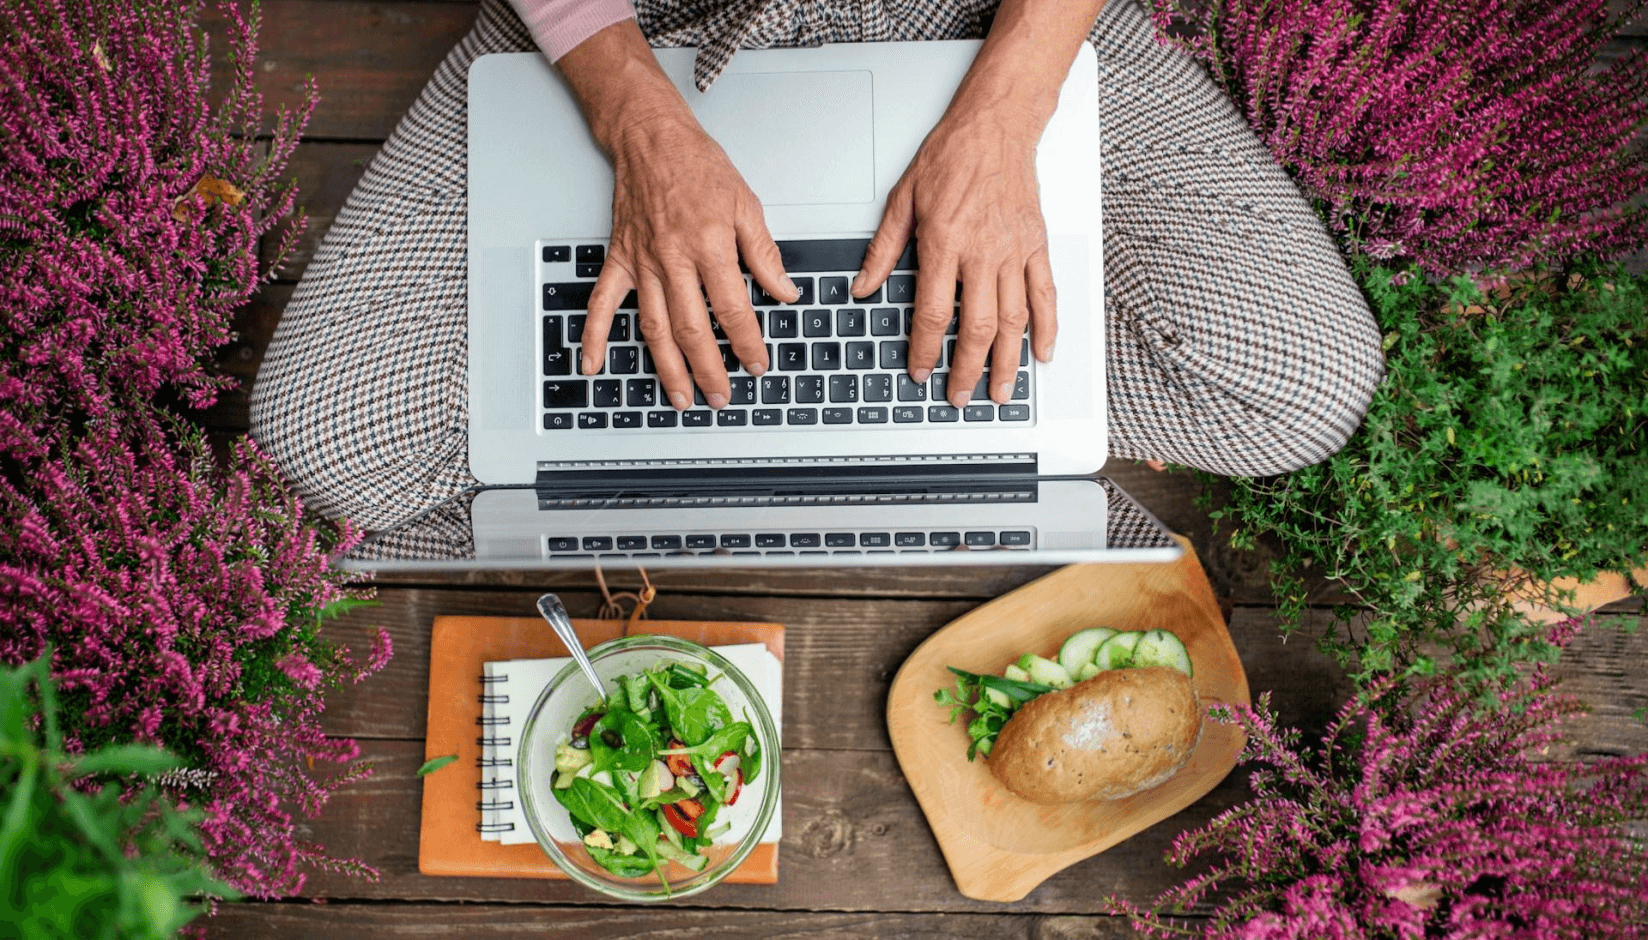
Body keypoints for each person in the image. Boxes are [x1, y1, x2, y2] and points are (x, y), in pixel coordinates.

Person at [250, 0, 1385, 534]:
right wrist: (638, 128)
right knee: (331, 445)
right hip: (628, 27)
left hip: (983, 16)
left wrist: (1006, 112)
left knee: (1297, 392)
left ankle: (858, 410)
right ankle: (875, 413)